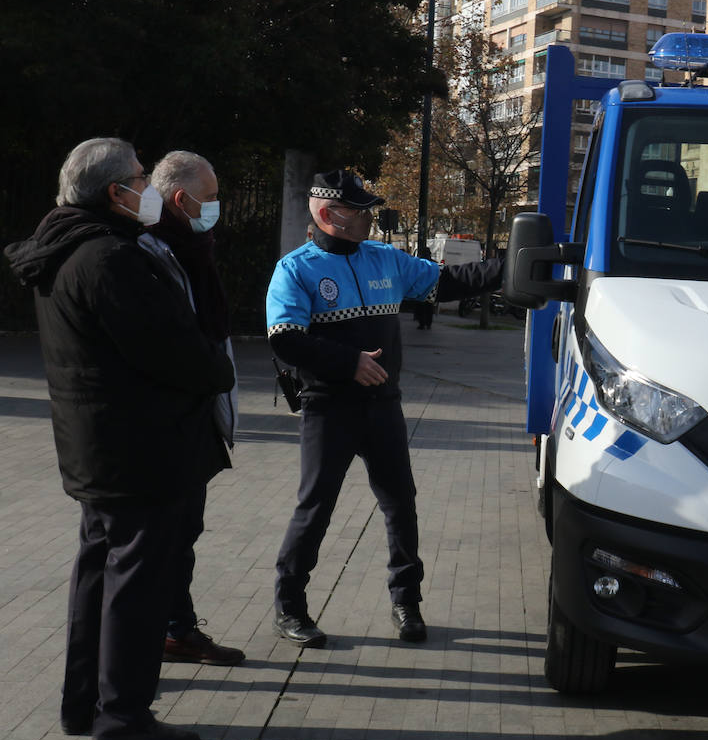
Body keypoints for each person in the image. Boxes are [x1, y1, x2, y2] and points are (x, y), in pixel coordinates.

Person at [4, 138, 235, 740]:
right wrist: (218, 366)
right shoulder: (109, 258)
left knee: (97, 581)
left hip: (99, 450)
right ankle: (124, 718)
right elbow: (175, 352)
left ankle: (86, 706)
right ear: (116, 193)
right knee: (137, 590)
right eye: (140, 178)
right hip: (141, 454)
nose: (148, 187)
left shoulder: (65, 247)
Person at [265, 170, 502, 647]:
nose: (370, 218)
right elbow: (285, 339)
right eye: (360, 211)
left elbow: (448, 282)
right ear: (329, 215)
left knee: (401, 503)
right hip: (328, 407)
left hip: (382, 406)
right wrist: (348, 363)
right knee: (315, 508)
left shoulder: (384, 259)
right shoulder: (295, 269)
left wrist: (518, 266)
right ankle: (290, 606)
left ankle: (406, 602)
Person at [139, 150, 245, 666]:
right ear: (181, 200)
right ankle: (140, 645)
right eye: (211, 197)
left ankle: (177, 630)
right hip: (165, 428)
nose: (217, 206)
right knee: (160, 545)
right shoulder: (149, 251)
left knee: (183, 537)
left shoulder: (192, 245)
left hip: (195, 420)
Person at [412, 245, 436, 330]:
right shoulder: (434, 263)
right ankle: (428, 323)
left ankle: (421, 323)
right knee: (429, 307)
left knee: (420, 306)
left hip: (420, 289)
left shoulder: (418, 263)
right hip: (431, 289)